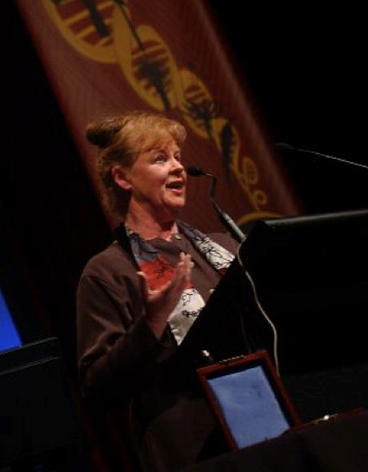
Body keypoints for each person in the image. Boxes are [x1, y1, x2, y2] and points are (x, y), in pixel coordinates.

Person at [75, 111, 239, 471]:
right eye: (160, 158)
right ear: (122, 177)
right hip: (196, 448)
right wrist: (150, 324)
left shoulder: (225, 248)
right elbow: (96, 389)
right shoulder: (109, 271)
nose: (179, 167)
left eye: (178, 156)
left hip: (266, 421)